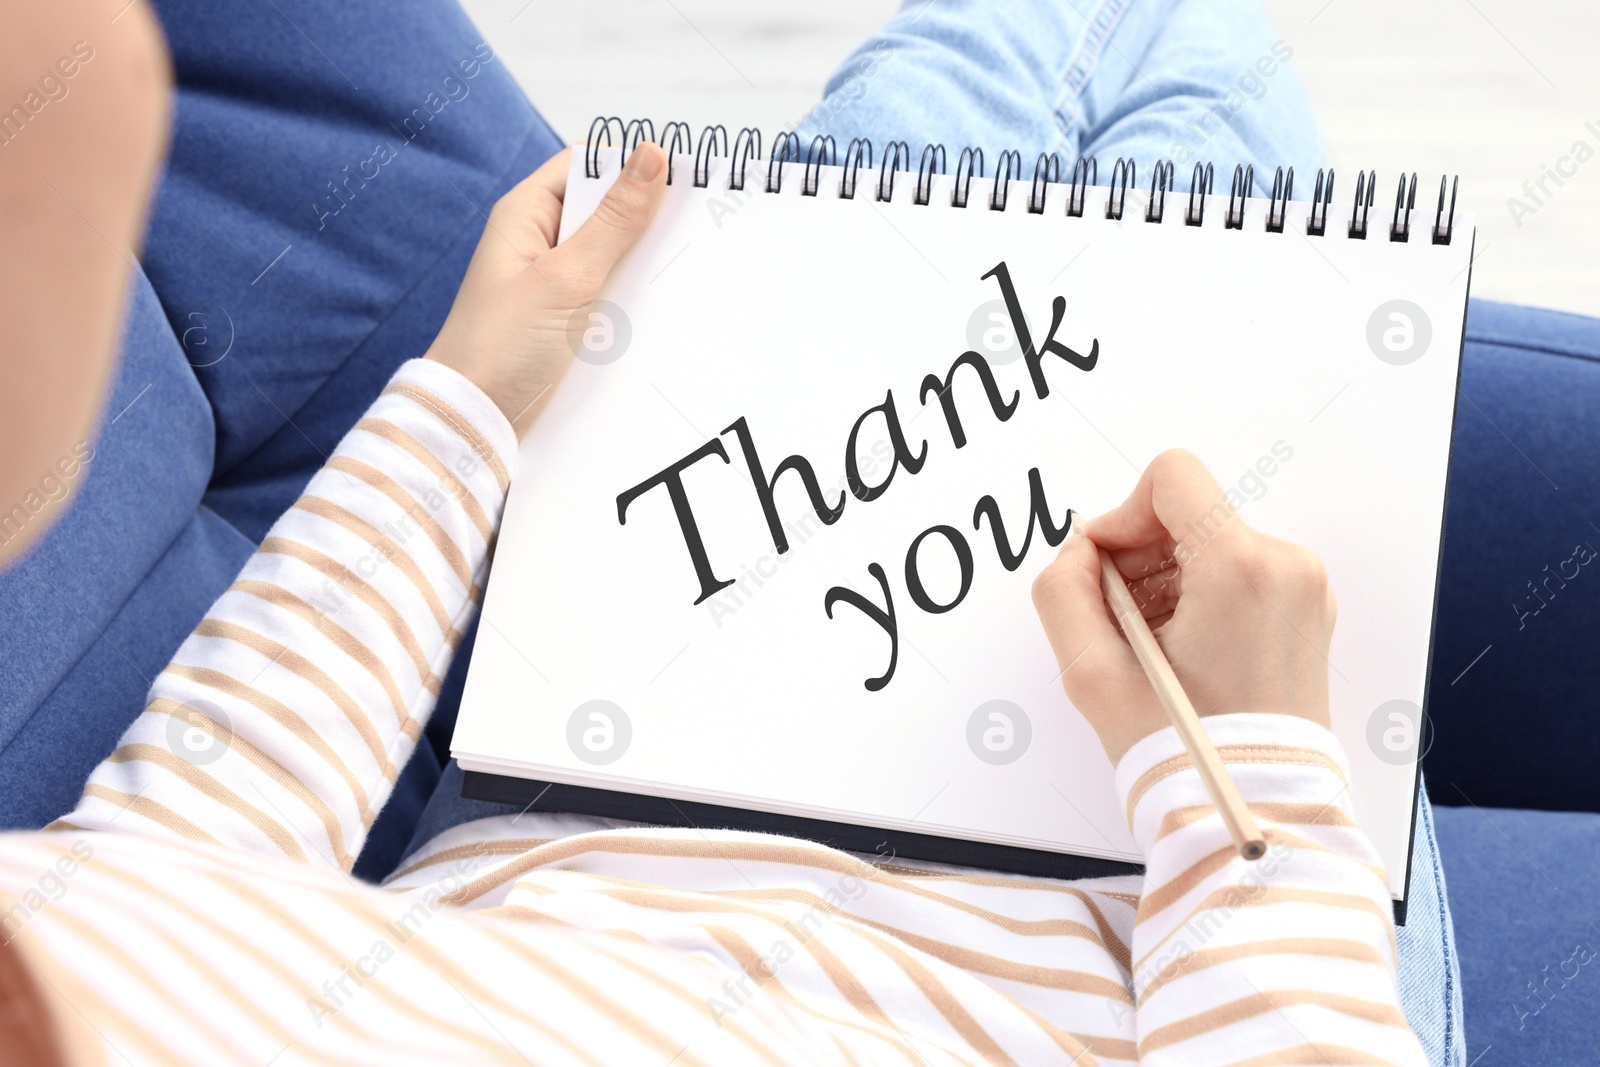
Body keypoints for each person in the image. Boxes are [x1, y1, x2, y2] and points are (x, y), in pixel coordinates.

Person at [0, 1, 1455, 1063]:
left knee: (1019, 57)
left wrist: (468, 403)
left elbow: (175, 854)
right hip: (1159, 935)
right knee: (1167, 76)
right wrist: (1256, 774)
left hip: (612, 773)